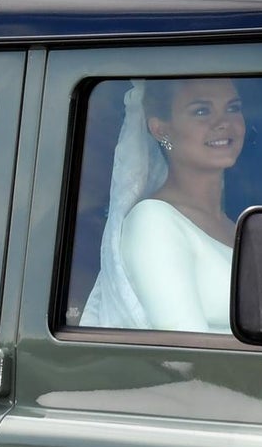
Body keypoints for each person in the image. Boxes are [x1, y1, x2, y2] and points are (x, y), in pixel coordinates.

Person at [80, 77, 245, 331]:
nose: (223, 123)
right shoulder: (152, 221)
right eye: (201, 111)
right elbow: (187, 354)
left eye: (233, 108)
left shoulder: (235, 225)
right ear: (160, 129)